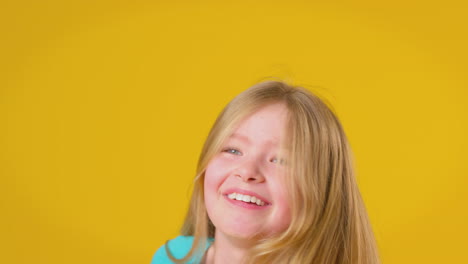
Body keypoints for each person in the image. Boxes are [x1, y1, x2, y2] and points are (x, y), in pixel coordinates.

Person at [151, 80, 380, 264]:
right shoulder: (173, 256)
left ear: (324, 190)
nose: (247, 171)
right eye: (232, 149)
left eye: (280, 160)